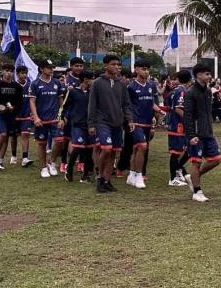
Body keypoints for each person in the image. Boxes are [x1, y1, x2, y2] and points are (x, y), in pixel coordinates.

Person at [87, 54, 132, 193]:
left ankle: (107, 180)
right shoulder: (97, 83)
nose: (117, 67)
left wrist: (129, 120)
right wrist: (91, 124)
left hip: (117, 122)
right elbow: (92, 105)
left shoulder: (122, 84)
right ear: (105, 66)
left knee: (113, 151)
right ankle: (100, 177)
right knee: (106, 149)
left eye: (119, 65)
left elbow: (126, 104)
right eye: (113, 64)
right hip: (102, 122)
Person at [183, 63, 221, 202]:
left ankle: (192, 177)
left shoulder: (208, 91)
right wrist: (191, 135)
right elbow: (187, 116)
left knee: (216, 159)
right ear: (198, 75)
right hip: (196, 134)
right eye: (207, 74)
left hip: (208, 132)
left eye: (210, 74)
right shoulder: (190, 93)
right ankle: (197, 191)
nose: (210, 76)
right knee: (196, 162)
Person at [28, 60, 67, 179]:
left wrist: (62, 116)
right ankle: (43, 167)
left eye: (52, 67)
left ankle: (52, 162)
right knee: (42, 144)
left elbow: (60, 101)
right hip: (41, 119)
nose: (51, 70)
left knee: (60, 141)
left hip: (55, 118)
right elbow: (32, 101)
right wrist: (36, 117)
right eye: (48, 68)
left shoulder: (56, 82)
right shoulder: (35, 84)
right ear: (41, 69)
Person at [124, 61, 159, 189]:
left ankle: (131, 175)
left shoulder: (151, 85)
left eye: (147, 69)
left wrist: (159, 111)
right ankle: (139, 175)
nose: (146, 71)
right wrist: (129, 120)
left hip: (147, 122)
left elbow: (152, 103)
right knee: (142, 146)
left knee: (137, 148)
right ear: (136, 70)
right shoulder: (131, 87)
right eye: (143, 69)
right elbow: (126, 105)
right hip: (135, 121)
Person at [60, 69, 95, 182]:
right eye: (91, 78)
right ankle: (69, 168)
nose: (93, 81)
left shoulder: (92, 93)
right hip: (77, 124)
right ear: (85, 79)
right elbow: (64, 106)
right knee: (78, 147)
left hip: (90, 124)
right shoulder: (73, 91)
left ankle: (85, 175)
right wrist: (61, 118)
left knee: (89, 150)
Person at [0, 67, 24, 170]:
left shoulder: (16, 86)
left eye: (11, 71)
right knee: (3, 133)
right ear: (3, 72)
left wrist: (14, 107)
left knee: (6, 137)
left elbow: (19, 101)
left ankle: (0, 160)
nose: (9, 73)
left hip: (10, 114)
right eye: (7, 71)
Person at [165, 69, 191, 186]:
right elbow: (178, 109)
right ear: (190, 80)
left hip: (175, 124)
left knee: (183, 150)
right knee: (176, 152)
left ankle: (179, 170)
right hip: (178, 126)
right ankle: (172, 178)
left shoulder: (174, 91)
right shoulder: (181, 91)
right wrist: (189, 120)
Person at [14, 65, 34, 165]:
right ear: (17, 74)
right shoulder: (13, 85)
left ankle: (25, 158)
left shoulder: (30, 85)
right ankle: (13, 155)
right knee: (14, 136)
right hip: (15, 115)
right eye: (22, 73)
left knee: (25, 135)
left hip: (26, 115)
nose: (24, 75)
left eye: (26, 73)